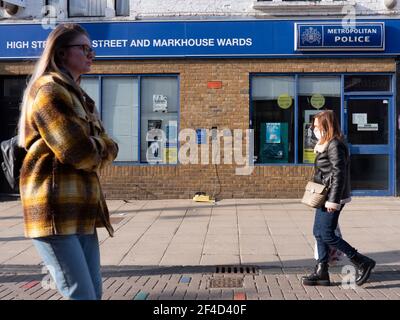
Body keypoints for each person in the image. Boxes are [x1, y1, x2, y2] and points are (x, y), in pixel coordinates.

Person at [17, 24, 118, 300]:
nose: (91, 54)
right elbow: (78, 152)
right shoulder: (49, 91)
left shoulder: (79, 96)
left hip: (81, 212)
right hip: (55, 211)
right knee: (81, 295)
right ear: (61, 54)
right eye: (84, 48)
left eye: (92, 49)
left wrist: (101, 146)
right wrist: (105, 146)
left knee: (93, 294)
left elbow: (98, 145)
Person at [302, 110, 375, 287]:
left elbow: (339, 174)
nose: (314, 129)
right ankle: (322, 272)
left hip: (332, 197)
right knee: (318, 232)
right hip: (323, 195)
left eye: (317, 126)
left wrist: (332, 201)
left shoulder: (335, 144)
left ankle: (362, 261)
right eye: (313, 126)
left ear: (327, 126)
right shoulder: (325, 144)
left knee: (327, 233)